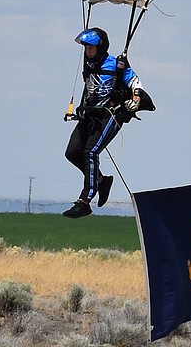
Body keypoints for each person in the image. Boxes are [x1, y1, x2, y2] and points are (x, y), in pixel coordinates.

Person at [61, 27, 143, 218]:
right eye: (86, 48)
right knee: (73, 152)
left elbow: (135, 82)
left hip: (111, 114)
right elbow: (88, 88)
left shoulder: (117, 64)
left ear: (101, 47)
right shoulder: (89, 65)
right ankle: (100, 180)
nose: (88, 52)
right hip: (90, 114)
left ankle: (84, 201)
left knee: (91, 151)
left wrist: (136, 99)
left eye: (91, 48)